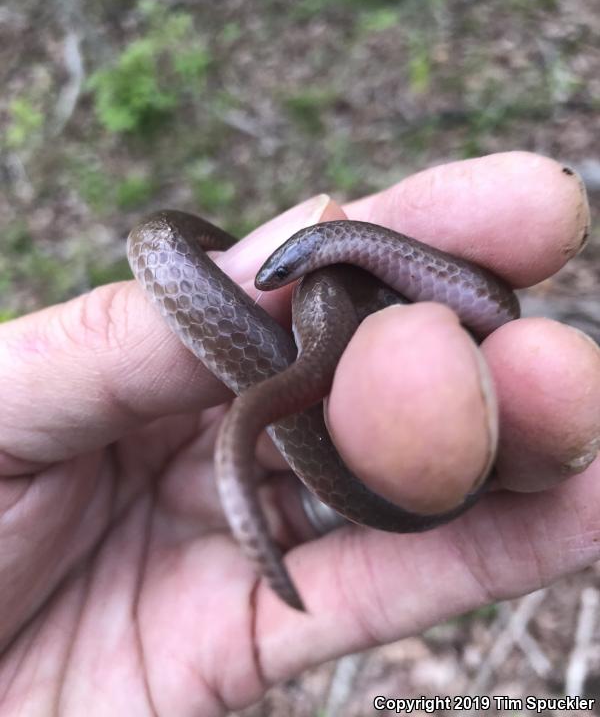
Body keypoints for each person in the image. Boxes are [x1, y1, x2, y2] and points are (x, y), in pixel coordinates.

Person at [0, 151, 598, 714]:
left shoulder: (333, 271)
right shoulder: (307, 282)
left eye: (284, 271)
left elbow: (486, 311)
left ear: (310, 254)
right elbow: (206, 255)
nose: (270, 281)